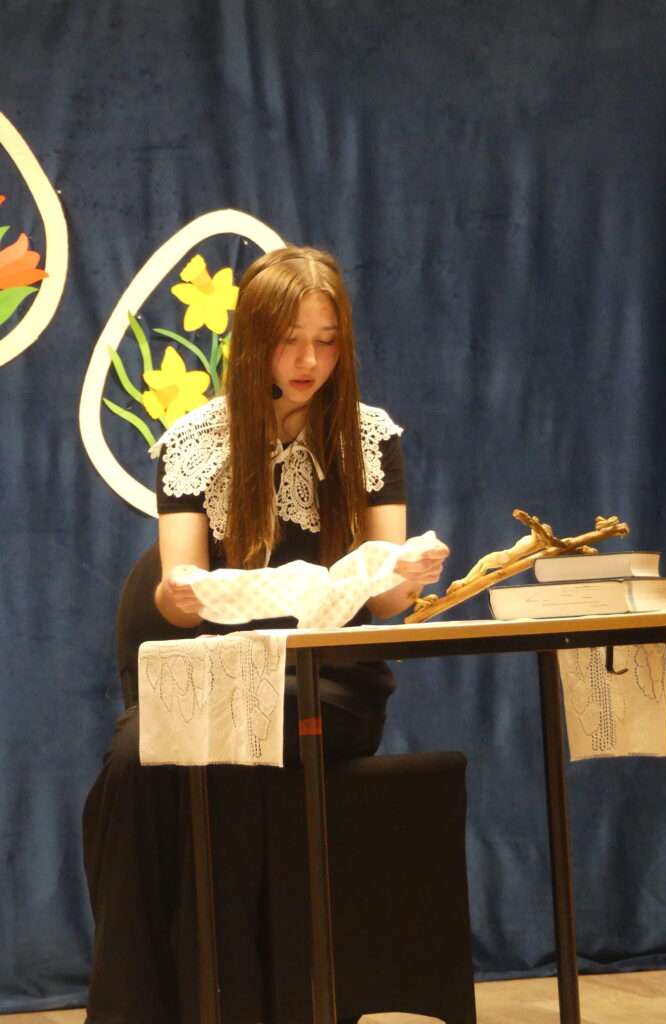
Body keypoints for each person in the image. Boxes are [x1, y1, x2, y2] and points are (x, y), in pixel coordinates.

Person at [82, 245, 450, 1024]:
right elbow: (178, 597)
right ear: (252, 342)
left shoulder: (368, 437)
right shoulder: (194, 442)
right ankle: (144, 1002)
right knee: (134, 757)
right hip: (219, 670)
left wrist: (409, 573)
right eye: (290, 341)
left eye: (326, 341)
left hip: (327, 686)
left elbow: (386, 600)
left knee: (227, 743)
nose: (310, 361)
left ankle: (243, 1001)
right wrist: (182, 593)